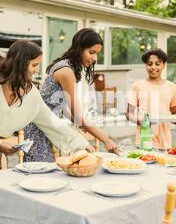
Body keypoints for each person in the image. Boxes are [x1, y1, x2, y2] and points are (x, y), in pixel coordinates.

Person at [0, 40, 92, 184]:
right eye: (34, 65)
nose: (35, 70)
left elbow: (51, 122)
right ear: (20, 63)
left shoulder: (31, 92)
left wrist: (81, 144)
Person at [24, 28, 119, 162]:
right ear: (79, 48)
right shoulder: (67, 71)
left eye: (97, 54)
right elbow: (78, 116)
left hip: (46, 124)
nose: (95, 58)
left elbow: (60, 105)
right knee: (39, 173)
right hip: (38, 127)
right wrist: (106, 140)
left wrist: (77, 121)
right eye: (91, 52)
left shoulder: (68, 66)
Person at [126, 48, 176, 151]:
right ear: (145, 66)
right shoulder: (137, 86)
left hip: (164, 142)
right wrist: (142, 121)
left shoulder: (172, 87)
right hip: (144, 140)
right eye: (149, 64)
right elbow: (129, 114)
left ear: (163, 65)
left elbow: (175, 114)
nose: (153, 67)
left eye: (157, 64)